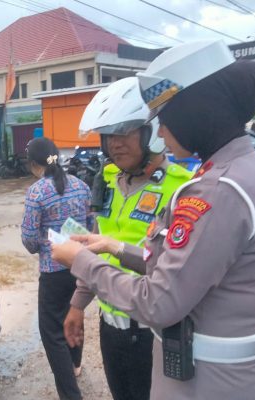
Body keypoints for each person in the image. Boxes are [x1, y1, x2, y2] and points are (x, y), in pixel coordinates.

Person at [52, 39, 255, 399]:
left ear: (195, 114)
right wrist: (115, 247)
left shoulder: (217, 191)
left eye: (165, 120)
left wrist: (82, 262)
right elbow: (183, 263)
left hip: (214, 384)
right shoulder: (237, 171)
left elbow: (159, 301)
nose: (161, 132)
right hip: (224, 375)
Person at [66, 77, 192, 400]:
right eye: (108, 135)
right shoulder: (108, 180)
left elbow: (175, 268)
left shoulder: (181, 189)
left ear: (151, 134)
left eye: (124, 132)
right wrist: (78, 304)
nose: (114, 144)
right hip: (110, 328)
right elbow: (97, 244)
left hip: (153, 333)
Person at [20, 137, 92, 400]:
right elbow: (92, 224)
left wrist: (43, 243)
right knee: (75, 313)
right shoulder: (82, 186)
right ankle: (76, 365)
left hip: (52, 272)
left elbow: (28, 238)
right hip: (81, 267)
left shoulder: (37, 192)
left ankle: (71, 395)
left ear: (33, 163)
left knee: (53, 333)